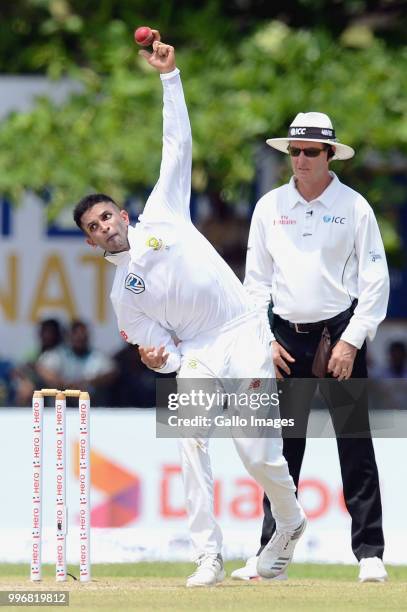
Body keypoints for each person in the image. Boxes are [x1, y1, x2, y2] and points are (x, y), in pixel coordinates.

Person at [72, 34, 305, 587]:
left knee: (256, 456)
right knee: (190, 436)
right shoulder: (121, 296)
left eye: (107, 216)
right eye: (93, 228)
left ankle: (291, 519)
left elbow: (177, 143)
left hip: (243, 330)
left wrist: (168, 78)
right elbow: (163, 353)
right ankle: (208, 555)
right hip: (198, 352)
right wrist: (155, 360)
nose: (105, 227)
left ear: (122, 214)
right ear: (90, 243)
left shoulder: (163, 210)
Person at [232, 112, 390, 583]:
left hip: (337, 335)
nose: (299, 160)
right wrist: (265, 339)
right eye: (294, 152)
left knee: (354, 444)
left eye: (310, 152)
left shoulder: (355, 206)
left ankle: (369, 553)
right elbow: (255, 283)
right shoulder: (269, 206)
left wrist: (351, 340)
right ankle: (269, 554)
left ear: (329, 156)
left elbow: (375, 280)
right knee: (281, 450)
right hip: (283, 336)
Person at [36, 320, 116, 406]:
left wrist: (89, 383)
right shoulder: (58, 354)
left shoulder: (96, 356)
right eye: (76, 335)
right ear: (69, 336)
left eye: (83, 336)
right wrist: (66, 386)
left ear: (88, 337)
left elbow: (112, 372)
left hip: (90, 406)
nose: (80, 338)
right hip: (60, 407)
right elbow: (41, 368)